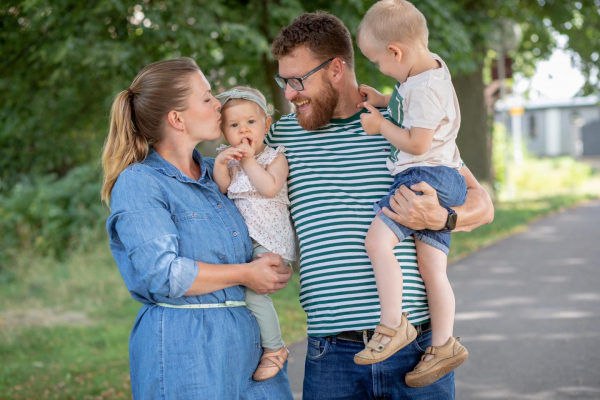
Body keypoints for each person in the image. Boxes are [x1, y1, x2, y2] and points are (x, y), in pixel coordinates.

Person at [268, 12, 494, 399]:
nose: (289, 93)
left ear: (336, 69)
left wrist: (444, 217)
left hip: (416, 351)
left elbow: (482, 203)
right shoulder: (281, 136)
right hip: (331, 355)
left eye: (296, 81)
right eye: (283, 81)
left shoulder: (405, 125)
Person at [101, 58, 293, 400]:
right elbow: (163, 274)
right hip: (187, 351)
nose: (219, 103)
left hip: (249, 347)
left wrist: (270, 266)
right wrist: (247, 273)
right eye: (206, 98)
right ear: (177, 119)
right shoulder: (140, 183)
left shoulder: (219, 173)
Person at [351, 0, 469, 387]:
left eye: (379, 62)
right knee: (432, 269)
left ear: (396, 51)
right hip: (445, 177)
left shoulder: (423, 90)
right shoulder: (428, 69)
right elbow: (411, 103)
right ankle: (444, 344)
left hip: (421, 175)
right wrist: (385, 100)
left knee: (377, 242)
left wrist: (379, 125)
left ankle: (392, 325)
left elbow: (417, 143)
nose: (380, 70)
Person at [213, 86, 297, 381]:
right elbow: (221, 189)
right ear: (224, 132)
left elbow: (270, 187)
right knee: (238, 289)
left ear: (266, 125)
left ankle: (275, 348)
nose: (243, 130)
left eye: (250, 122)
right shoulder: (229, 159)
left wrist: (248, 160)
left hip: (268, 238)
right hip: (242, 239)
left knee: (254, 294)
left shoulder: (275, 157)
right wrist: (223, 164)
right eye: (234, 125)